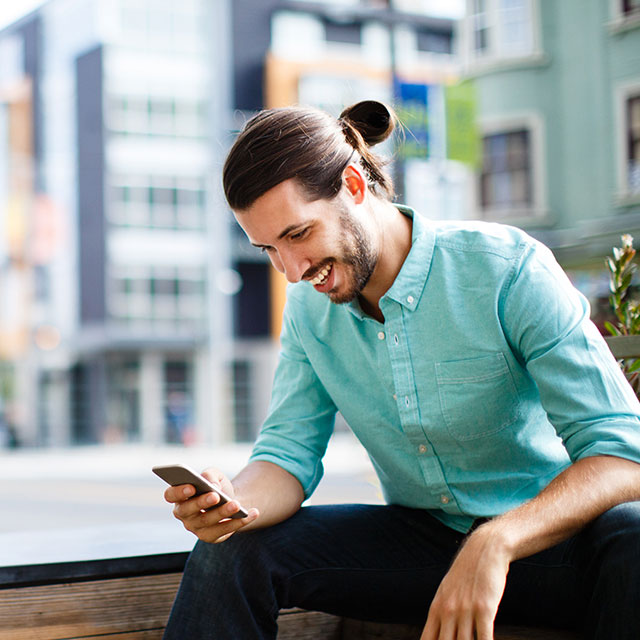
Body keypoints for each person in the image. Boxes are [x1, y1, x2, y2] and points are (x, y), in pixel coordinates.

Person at [162, 101, 640, 640]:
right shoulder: (309, 310)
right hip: (421, 549)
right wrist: (235, 506)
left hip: (550, 548)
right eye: (268, 249)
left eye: (298, 235)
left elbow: (624, 455)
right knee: (233, 551)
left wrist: (496, 540)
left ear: (354, 185)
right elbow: (287, 455)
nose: (292, 271)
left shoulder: (507, 269)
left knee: (636, 531)